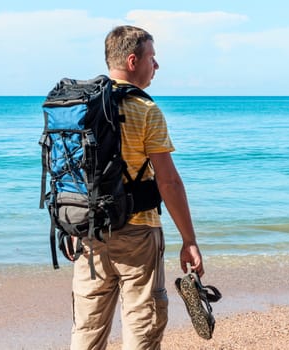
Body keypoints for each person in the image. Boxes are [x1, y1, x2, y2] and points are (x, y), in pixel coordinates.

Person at [70, 25, 204, 350]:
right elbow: (168, 181)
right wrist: (189, 240)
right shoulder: (146, 110)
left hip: (88, 233)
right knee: (143, 328)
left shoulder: (79, 107)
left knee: (87, 331)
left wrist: (73, 225)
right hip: (138, 234)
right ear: (133, 61)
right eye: (152, 58)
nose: (155, 66)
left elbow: (72, 172)